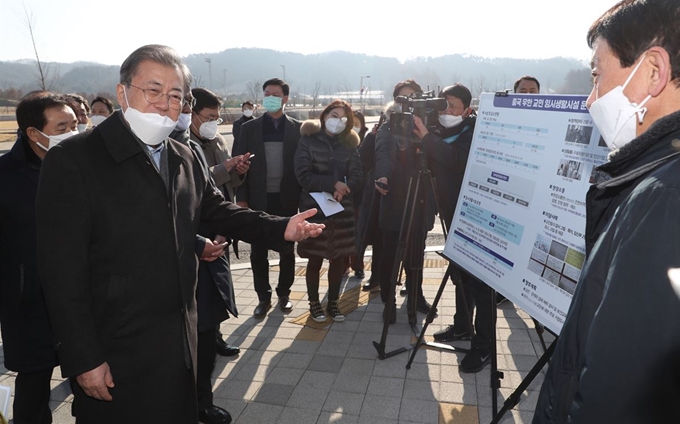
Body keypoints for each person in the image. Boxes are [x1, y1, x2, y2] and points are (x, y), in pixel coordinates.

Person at [34, 44, 324, 424]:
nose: (165, 104)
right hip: (116, 344)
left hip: (181, 335)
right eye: (153, 91)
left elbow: (214, 210)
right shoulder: (75, 160)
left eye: (176, 96)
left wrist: (278, 227)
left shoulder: (183, 155)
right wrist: (83, 358)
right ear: (123, 93)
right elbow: (60, 274)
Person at [534, 1, 680, 422]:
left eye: (596, 75)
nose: (590, 99)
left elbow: (622, 393)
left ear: (654, 71)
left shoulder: (666, 198)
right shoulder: (653, 176)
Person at [0, 92, 78, 424]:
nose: (73, 131)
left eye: (75, 123)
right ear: (34, 133)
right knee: (33, 385)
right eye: (63, 126)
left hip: (80, 297)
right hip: (28, 300)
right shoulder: (4, 175)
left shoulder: (83, 165)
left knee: (91, 378)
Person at [233, 78, 303, 319]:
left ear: (285, 98)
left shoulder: (297, 128)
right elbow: (237, 165)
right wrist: (241, 199)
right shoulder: (249, 128)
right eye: (266, 93)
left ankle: (284, 294)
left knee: (286, 250)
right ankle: (263, 297)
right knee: (257, 252)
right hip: (257, 199)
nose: (269, 98)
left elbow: (302, 167)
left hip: (286, 199)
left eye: (275, 94)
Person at [374, 79, 436, 323]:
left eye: (413, 98)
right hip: (394, 197)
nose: (409, 104)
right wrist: (383, 175)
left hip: (421, 197)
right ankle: (388, 301)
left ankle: (416, 296)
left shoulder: (430, 125)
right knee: (389, 254)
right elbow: (382, 153)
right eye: (403, 98)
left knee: (416, 255)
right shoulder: (389, 125)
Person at [294, 100, 362, 322]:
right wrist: (333, 184)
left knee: (339, 259)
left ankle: (333, 303)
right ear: (324, 116)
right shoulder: (308, 141)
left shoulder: (350, 145)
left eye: (344, 119)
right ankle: (314, 303)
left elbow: (357, 174)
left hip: (342, 210)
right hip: (315, 208)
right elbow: (303, 175)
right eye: (334, 115)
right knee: (314, 259)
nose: (338, 122)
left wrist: (346, 188)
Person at [343, 110, 368, 279]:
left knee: (359, 232)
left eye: (357, 124)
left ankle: (358, 264)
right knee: (343, 231)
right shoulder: (340, 142)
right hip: (343, 194)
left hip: (362, 196)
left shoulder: (369, 141)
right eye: (351, 124)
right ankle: (342, 264)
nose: (354, 127)